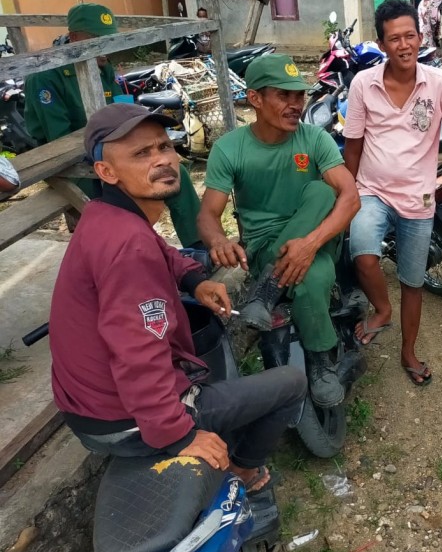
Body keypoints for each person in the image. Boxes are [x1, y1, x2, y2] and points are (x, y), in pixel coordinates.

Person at [49, 103, 307, 492]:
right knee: (291, 383)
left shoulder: (107, 215)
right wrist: (178, 435)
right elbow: (138, 353)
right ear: (106, 171)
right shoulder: (129, 245)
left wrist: (194, 279)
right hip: (122, 420)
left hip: (88, 404)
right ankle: (243, 471)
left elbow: (163, 251)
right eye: (141, 153)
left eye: (164, 146)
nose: (162, 160)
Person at [198, 54, 360, 409]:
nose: (295, 104)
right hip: (263, 247)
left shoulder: (314, 139)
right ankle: (321, 362)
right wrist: (218, 239)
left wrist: (309, 244)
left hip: (318, 238)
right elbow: (208, 214)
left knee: (322, 192)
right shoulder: (230, 148)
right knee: (314, 277)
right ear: (255, 98)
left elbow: (350, 197)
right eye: (283, 95)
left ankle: (267, 291)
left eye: (299, 95)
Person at [343, 0, 442, 385]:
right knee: (363, 254)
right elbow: (353, 147)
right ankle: (382, 310)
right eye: (394, 38)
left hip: (419, 199)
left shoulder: (439, 85)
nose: (404, 45)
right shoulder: (363, 84)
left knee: (413, 282)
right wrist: (346, 194)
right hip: (372, 191)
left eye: (410, 35)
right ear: (382, 44)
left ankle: (408, 352)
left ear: (420, 36)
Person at [24, 3, 202, 247]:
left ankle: (199, 248)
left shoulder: (102, 67)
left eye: (109, 40)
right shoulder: (46, 76)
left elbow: (121, 113)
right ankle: (141, 251)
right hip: (68, 164)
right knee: (133, 190)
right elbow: (58, 139)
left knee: (175, 173)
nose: (105, 48)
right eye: (97, 40)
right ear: (74, 37)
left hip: (112, 150)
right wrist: (121, 160)